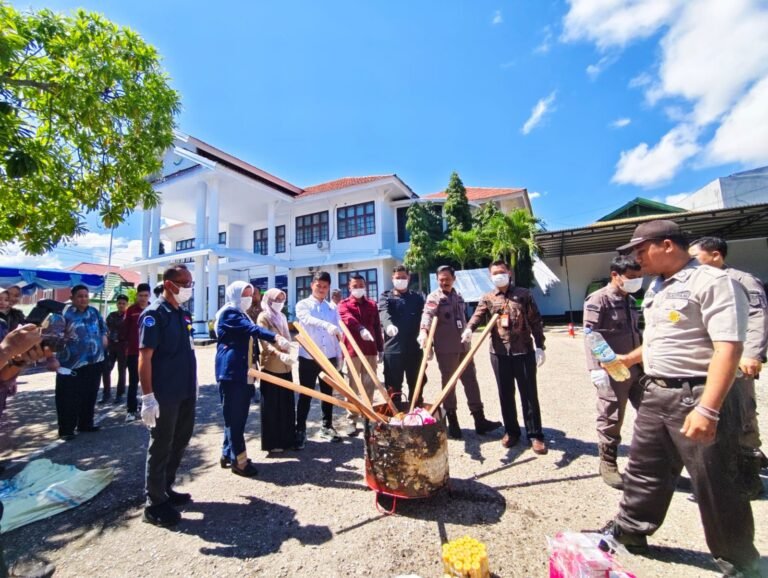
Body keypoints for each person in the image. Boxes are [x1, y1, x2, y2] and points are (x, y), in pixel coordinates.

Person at [603, 220, 760, 577]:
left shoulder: (712, 282)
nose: (637, 259)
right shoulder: (658, 286)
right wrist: (628, 359)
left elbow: (728, 348)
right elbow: (662, 340)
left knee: (717, 481)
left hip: (698, 393)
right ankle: (631, 531)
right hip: (657, 391)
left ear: (668, 245)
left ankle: (739, 561)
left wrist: (709, 409)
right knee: (645, 469)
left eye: (641, 250)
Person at [689, 236, 768, 499]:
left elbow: (758, 317)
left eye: (695, 257)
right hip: (707, 362)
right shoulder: (695, 282)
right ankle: (718, 478)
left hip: (736, 361)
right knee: (709, 414)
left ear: (715, 255)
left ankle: (749, 478)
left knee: (742, 415)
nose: (691, 262)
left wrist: (753, 354)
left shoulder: (741, 280)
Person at [467, 260, 548, 454]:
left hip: (524, 351)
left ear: (509, 273)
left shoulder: (524, 294)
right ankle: (511, 432)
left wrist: (540, 345)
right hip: (499, 353)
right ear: (490, 276)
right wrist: (469, 329)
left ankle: (535, 435)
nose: (499, 275)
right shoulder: (488, 297)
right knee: (505, 394)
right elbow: (478, 315)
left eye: (501, 272)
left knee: (529, 394)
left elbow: (535, 320)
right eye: (495, 273)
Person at [139, 265, 198, 527]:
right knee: (161, 444)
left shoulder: (182, 313)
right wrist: (148, 397)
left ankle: (166, 487)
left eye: (190, 282)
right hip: (165, 393)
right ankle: (154, 504)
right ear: (168, 284)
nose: (188, 287)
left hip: (185, 389)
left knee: (180, 439)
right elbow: (145, 358)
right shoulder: (154, 314)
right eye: (184, 282)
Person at [418, 265, 502, 440]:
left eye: (447, 279)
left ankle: (479, 419)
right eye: (441, 279)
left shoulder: (458, 296)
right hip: (446, 349)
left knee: (471, 381)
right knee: (449, 384)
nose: (444, 282)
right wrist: (424, 331)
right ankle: (453, 421)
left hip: (464, 346)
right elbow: (427, 314)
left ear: (454, 279)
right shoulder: (434, 297)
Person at [582, 256, 644, 487]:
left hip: (637, 368)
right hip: (612, 369)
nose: (636, 281)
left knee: (650, 413)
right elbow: (591, 335)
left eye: (639, 277)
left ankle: (649, 462)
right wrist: (595, 368)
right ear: (615, 275)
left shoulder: (631, 300)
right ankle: (608, 462)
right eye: (631, 277)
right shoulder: (599, 299)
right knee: (611, 416)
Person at [215, 281, 289, 476]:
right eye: (244, 295)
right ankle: (239, 462)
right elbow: (252, 330)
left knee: (236, 417)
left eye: (250, 294)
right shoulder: (230, 314)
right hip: (232, 374)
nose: (249, 298)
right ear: (234, 295)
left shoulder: (242, 314)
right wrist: (275, 337)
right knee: (235, 418)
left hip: (245, 372)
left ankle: (227, 453)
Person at [294, 271, 345, 446]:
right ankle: (300, 429)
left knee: (327, 394)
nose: (321, 289)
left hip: (328, 357)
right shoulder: (303, 304)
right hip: (308, 357)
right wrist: (325, 324)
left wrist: (339, 356)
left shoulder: (332, 308)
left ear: (329, 288)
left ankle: (327, 426)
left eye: (325, 287)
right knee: (306, 394)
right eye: (319, 286)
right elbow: (307, 320)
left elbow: (338, 330)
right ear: (312, 285)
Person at [55, 285, 107, 440]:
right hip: (71, 364)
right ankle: (66, 429)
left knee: (90, 394)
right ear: (72, 298)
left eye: (86, 296)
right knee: (68, 397)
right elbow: (53, 336)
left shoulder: (94, 312)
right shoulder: (64, 313)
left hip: (94, 360)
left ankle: (86, 423)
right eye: (80, 296)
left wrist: (104, 338)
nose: (83, 299)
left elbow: (103, 328)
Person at [338, 274, 383, 436]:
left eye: (361, 286)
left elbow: (377, 326)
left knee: (369, 385)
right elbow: (347, 319)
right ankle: (351, 419)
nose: (358, 288)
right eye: (355, 286)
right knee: (352, 386)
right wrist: (360, 329)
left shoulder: (372, 304)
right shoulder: (344, 304)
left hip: (370, 350)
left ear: (365, 286)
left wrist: (380, 348)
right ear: (349, 288)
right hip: (352, 351)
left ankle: (367, 417)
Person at [257, 288, 297, 452]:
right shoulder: (264, 316)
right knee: (272, 406)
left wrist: (290, 350)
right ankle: (273, 442)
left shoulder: (282, 317)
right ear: (269, 300)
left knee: (286, 404)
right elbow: (264, 341)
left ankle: (288, 439)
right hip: (272, 365)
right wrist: (278, 353)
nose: (280, 302)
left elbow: (287, 338)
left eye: (282, 299)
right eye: (276, 299)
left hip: (286, 366)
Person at [378, 265, 425, 404]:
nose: (400, 280)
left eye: (403, 277)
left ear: (408, 278)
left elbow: (425, 318)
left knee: (417, 385)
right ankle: (396, 414)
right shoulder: (386, 296)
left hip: (414, 349)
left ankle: (416, 413)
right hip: (393, 350)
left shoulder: (417, 297)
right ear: (392, 278)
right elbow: (383, 312)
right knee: (393, 388)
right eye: (397, 277)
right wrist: (388, 325)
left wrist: (429, 343)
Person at [124, 283, 151, 422]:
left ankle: (149, 407)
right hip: (134, 352)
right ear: (137, 295)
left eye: (146, 295)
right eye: (140, 295)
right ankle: (131, 410)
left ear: (149, 296)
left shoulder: (154, 309)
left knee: (151, 381)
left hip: (151, 353)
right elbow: (125, 330)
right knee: (133, 382)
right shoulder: (131, 310)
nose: (143, 298)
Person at [100, 294, 128, 405]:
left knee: (122, 371)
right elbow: (105, 329)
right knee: (106, 369)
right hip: (111, 346)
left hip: (123, 346)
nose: (121, 305)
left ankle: (120, 394)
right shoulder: (111, 316)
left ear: (126, 304)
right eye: (119, 303)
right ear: (116, 304)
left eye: (123, 303)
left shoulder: (128, 317)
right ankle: (106, 394)